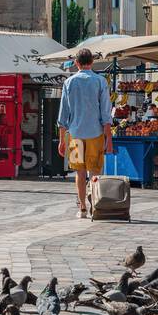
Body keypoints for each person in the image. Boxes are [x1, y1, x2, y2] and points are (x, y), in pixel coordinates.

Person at [57, 47, 114, 219]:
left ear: (76, 63)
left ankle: (82, 208)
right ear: (92, 62)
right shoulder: (100, 81)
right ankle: (95, 206)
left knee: (79, 172)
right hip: (95, 133)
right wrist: (108, 138)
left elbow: (63, 114)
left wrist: (61, 140)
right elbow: (106, 112)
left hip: (75, 134)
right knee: (95, 172)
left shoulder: (69, 83)